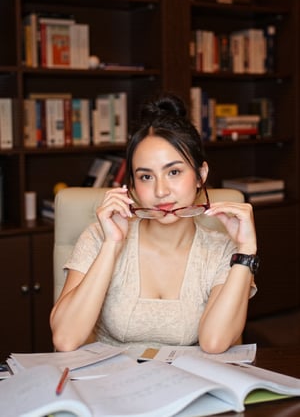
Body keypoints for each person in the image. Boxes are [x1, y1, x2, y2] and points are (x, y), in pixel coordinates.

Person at [50, 93, 257, 354]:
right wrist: (111, 246)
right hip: (109, 385)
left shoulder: (224, 251)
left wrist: (246, 250)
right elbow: (65, 339)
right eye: (146, 176)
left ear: (200, 175)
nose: (161, 191)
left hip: (187, 385)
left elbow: (214, 343)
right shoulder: (98, 237)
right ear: (132, 186)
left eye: (174, 172)